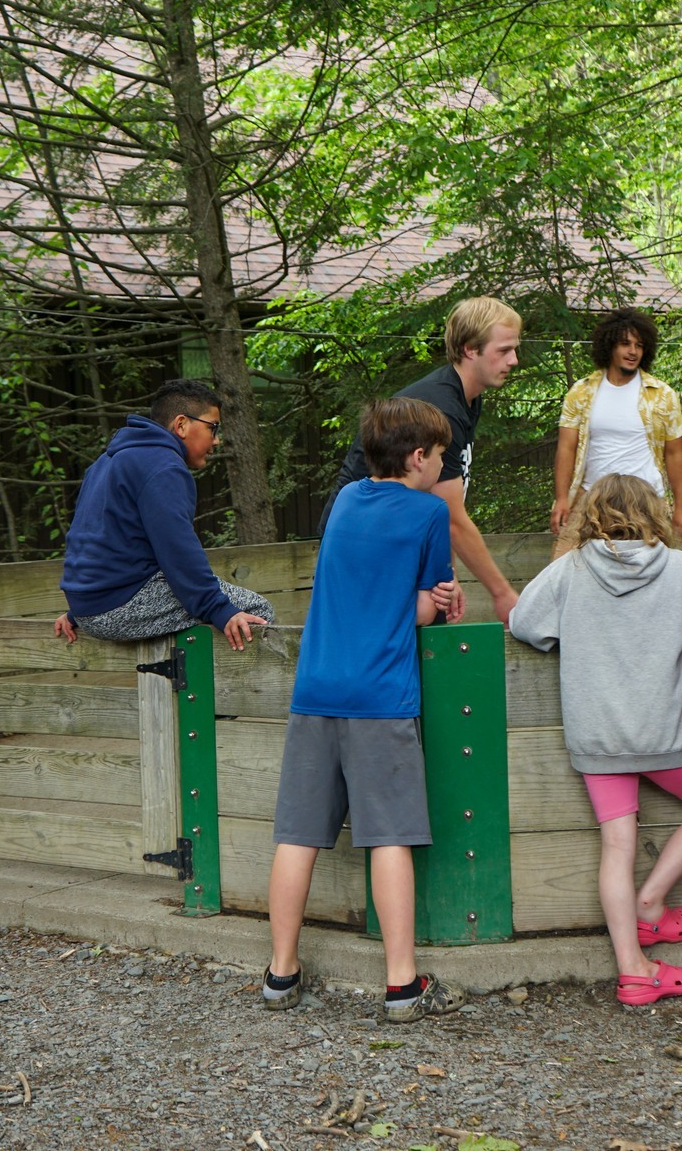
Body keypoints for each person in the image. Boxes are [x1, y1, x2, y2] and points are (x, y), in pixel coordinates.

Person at [263, 398, 464, 1023]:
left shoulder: (345, 500)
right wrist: (444, 599)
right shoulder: (431, 513)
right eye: (441, 454)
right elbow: (419, 611)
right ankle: (402, 984)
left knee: (298, 834)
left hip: (317, 689)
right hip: (381, 696)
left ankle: (279, 974)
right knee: (389, 836)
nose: (445, 463)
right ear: (417, 458)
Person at [510, 474, 682, 1008]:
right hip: (666, 736)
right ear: (654, 513)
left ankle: (634, 970)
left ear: (590, 516)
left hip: (597, 737)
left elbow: (524, 624)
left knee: (617, 845)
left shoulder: (568, 570)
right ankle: (652, 904)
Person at [325, 297, 524, 624]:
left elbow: (440, 506)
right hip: (367, 541)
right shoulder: (442, 408)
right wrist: (502, 593)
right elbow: (452, 519)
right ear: (470, 349)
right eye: (503, 350)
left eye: (514, 349)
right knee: (409, 633)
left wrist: (448, 574)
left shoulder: (467, 399)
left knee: (434, 620)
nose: (514, 360)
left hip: (401, 535)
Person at [54, 379, 273, 648]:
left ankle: (180, 685)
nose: (216, 440)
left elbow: (91, 538)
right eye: (212, 428)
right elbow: (177, 550)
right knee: (254, 613)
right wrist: (220, 609)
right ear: (181, 425)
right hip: (117, 606)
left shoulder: (106, 462)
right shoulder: (163, 466)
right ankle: (211, 692)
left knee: (215, 607)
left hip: (89, 605)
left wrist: (79, 610)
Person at [551, 309, 682, 547]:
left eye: (639, 345)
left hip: (646, 503)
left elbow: (674, 453)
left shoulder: (662, 395)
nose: (633, 351)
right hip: (590, 501)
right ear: (609, 346)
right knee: (569, 569)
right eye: (625, 343)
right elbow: (567, 448)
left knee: (650, 577)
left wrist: (681, 507)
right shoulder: (581, 392)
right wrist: (562, 498)